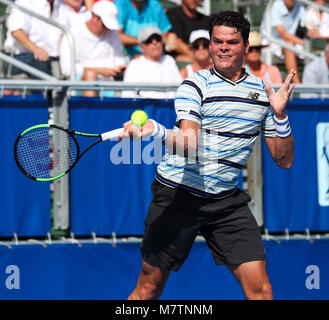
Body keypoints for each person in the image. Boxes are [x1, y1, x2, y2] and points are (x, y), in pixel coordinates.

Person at [121, 11, 295, 300]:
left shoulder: (263, 94)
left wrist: (279, 114)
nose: (223, 47)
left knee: (262, 291)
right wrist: (158, 131)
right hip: (177, 194)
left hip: (225, 201)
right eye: (217, 41)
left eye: (232, 42)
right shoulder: (194, 85)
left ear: (246, 47)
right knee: (149, 288)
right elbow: (189, 142)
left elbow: (284, 160)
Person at [59, 0, 127, 96]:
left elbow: (119, 59)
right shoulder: (73, 34)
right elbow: (67, 69)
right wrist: (99, 71)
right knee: (91, 75)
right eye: (105, 25)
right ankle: (88, 109)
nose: (107, 30)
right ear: (94, 17)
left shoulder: (113, 33)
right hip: (79, 85)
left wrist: (120, 67)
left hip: (109, 84)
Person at [4, 0, 69, 80]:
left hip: (52, 58)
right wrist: (35, 49)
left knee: (70, 67)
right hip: (21, 57)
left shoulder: (62, 5)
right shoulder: (25, 2)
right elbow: (16, 32)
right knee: (41, 62)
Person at [121, 26, 182, 99]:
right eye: (149, 40)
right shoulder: (134, 65)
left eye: (157, 39)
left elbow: (180, 90)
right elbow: (127, 95)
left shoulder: (169, 60)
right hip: (144, 108)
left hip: (168, 107)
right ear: (141, 47)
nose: (154, 42)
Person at [260, 0, 306, 83]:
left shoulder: (299, 6)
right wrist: (303, 43)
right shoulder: (275, 5)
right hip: (270, 41)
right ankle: (298, 85)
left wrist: (315, 35)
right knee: (289, 46)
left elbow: (308, 25)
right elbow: (283, 33)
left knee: (311, 47)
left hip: (290, 41)